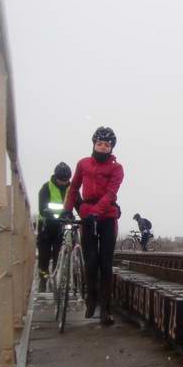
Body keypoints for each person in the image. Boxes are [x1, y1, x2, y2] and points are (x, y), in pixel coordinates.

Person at [64, 127, 124, 325]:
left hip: (107, 217)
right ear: (94, 144)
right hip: (87, 216)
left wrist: (95, 213)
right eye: (100, 144)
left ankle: (106, 308)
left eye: (107, 145)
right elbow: (73, 187)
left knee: (105, 264)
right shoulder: (83, 164)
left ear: (111, 148)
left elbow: (111, 194)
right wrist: (67, 209)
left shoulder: (117, 169)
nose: (103, 147)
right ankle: (91, 299)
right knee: (90, 261)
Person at [36, 162, 72, 292]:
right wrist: (56, 213)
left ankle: (58, 279)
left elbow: (79, 203)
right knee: (44, 256)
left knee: (59, 253)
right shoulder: (46, 188)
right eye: (61, 180)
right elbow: (42, 209)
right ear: (56, 177)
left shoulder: (71, 188)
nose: (64, 182)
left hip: (61, 227)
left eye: (66, 180)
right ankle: (43, 280)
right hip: (46, 226)